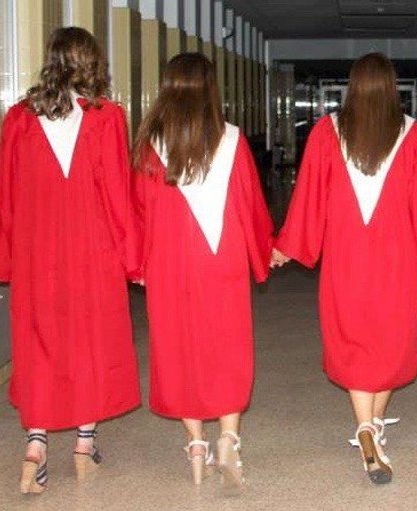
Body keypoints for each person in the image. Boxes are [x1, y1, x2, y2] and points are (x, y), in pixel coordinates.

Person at [270, 53, 417, 485]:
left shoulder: (326, 132)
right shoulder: (412, 135)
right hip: (396, 256)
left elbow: (309, 197)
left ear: (354, 87)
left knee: (355, 338)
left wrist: (288, 245)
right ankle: (371, 426)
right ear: (391, 87)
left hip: (346, 255)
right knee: (390, 340)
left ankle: (367, 425)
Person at [0, 27, 141, 494]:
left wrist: (3, 256)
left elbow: (5, 195)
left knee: (39, 340)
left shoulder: (19, 118)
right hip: (92, 250)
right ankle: (84, 444)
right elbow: (118, 194)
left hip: (38, 252)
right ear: (91, 63)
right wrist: (133, 256)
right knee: (91, 339)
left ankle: (35, 445)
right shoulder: (106, 117)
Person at [131, 53, 274, 488]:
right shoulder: (232, 139)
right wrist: (262, 252)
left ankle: (195, 445)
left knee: (178, 346)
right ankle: (229, 438)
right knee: (227, 343)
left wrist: (138, 263)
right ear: (211, 89)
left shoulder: (149, 144)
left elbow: (139, 210)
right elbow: (250, 203)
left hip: (169, 258)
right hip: (221, 254)